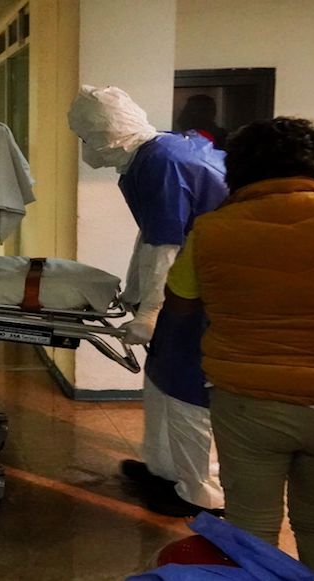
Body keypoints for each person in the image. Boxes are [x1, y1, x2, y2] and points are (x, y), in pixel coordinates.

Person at [165, 117, 314, 572]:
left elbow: (180, 305)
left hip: (248, 404)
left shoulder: (212, 230)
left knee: (251, 529)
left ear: (237, 169)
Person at [68, 85, 228, 517]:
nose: (84, 147)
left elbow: (167, 246)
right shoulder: (154, 156)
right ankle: (164, 470)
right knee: (160, 381)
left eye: (85, 137)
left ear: (106, 133)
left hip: (202, 294)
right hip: (186, 285)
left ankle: (203, 494)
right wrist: (138, 293)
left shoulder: (162, 163)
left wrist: (151, 312)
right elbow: (152, 235)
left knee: (186, 390)